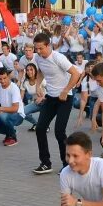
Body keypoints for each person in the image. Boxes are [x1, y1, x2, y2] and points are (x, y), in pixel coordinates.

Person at [31, 32, 82, 176]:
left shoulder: (58, 58)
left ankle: (67, 165)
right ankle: (45, 163)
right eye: (36, 48)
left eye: (41, 48)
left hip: (64, 99)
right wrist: (38, 85)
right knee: (40, 128)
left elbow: (76, 74)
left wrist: (66, 90)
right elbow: (40, 71)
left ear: (49, 45)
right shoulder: (38, 57)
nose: (38, 51)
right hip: (51, 98)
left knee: (59, 132)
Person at [0, 67, 24, 147]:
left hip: (18, 115)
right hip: (6, 115)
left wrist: (0, 108)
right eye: (0, 79)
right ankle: (10, 131)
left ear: (8, 77)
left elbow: (15, 108)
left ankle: (13, 138)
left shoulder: (14, 88)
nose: (2, 81)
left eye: (4, 78)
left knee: (3, 116)